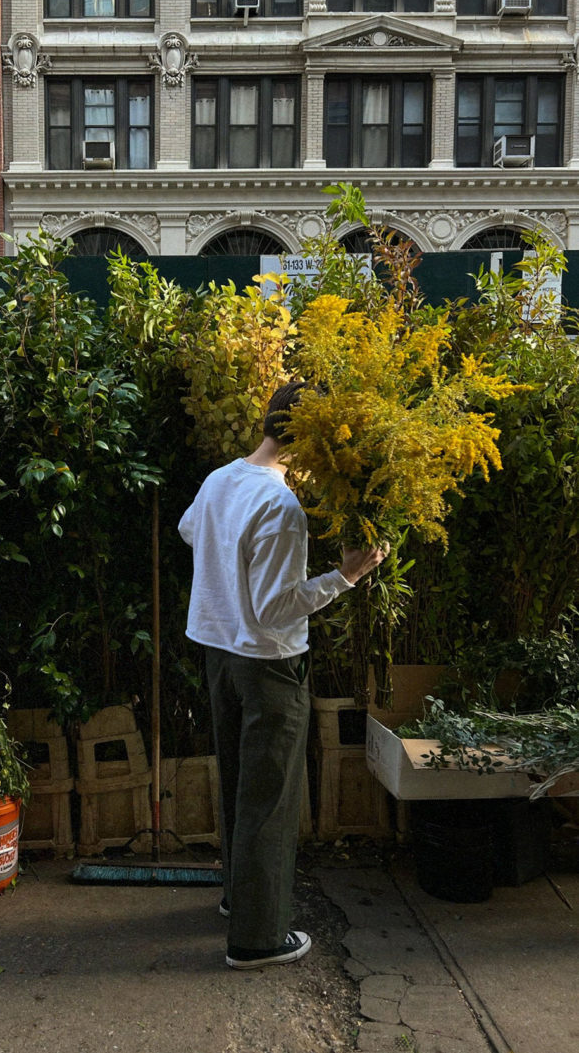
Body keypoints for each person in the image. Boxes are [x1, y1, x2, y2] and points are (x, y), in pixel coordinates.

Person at [178, 382, 387, 970]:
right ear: (314, 443)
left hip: (216, 651)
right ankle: (257, 938)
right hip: (267, 665)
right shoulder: (281, 506)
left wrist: (223, 561)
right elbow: (275, 609)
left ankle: (236, 901)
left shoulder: (222, 479)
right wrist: (345, 576)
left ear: (268, 422)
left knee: (239, 784)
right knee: (269, 800)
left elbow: (190, 530)